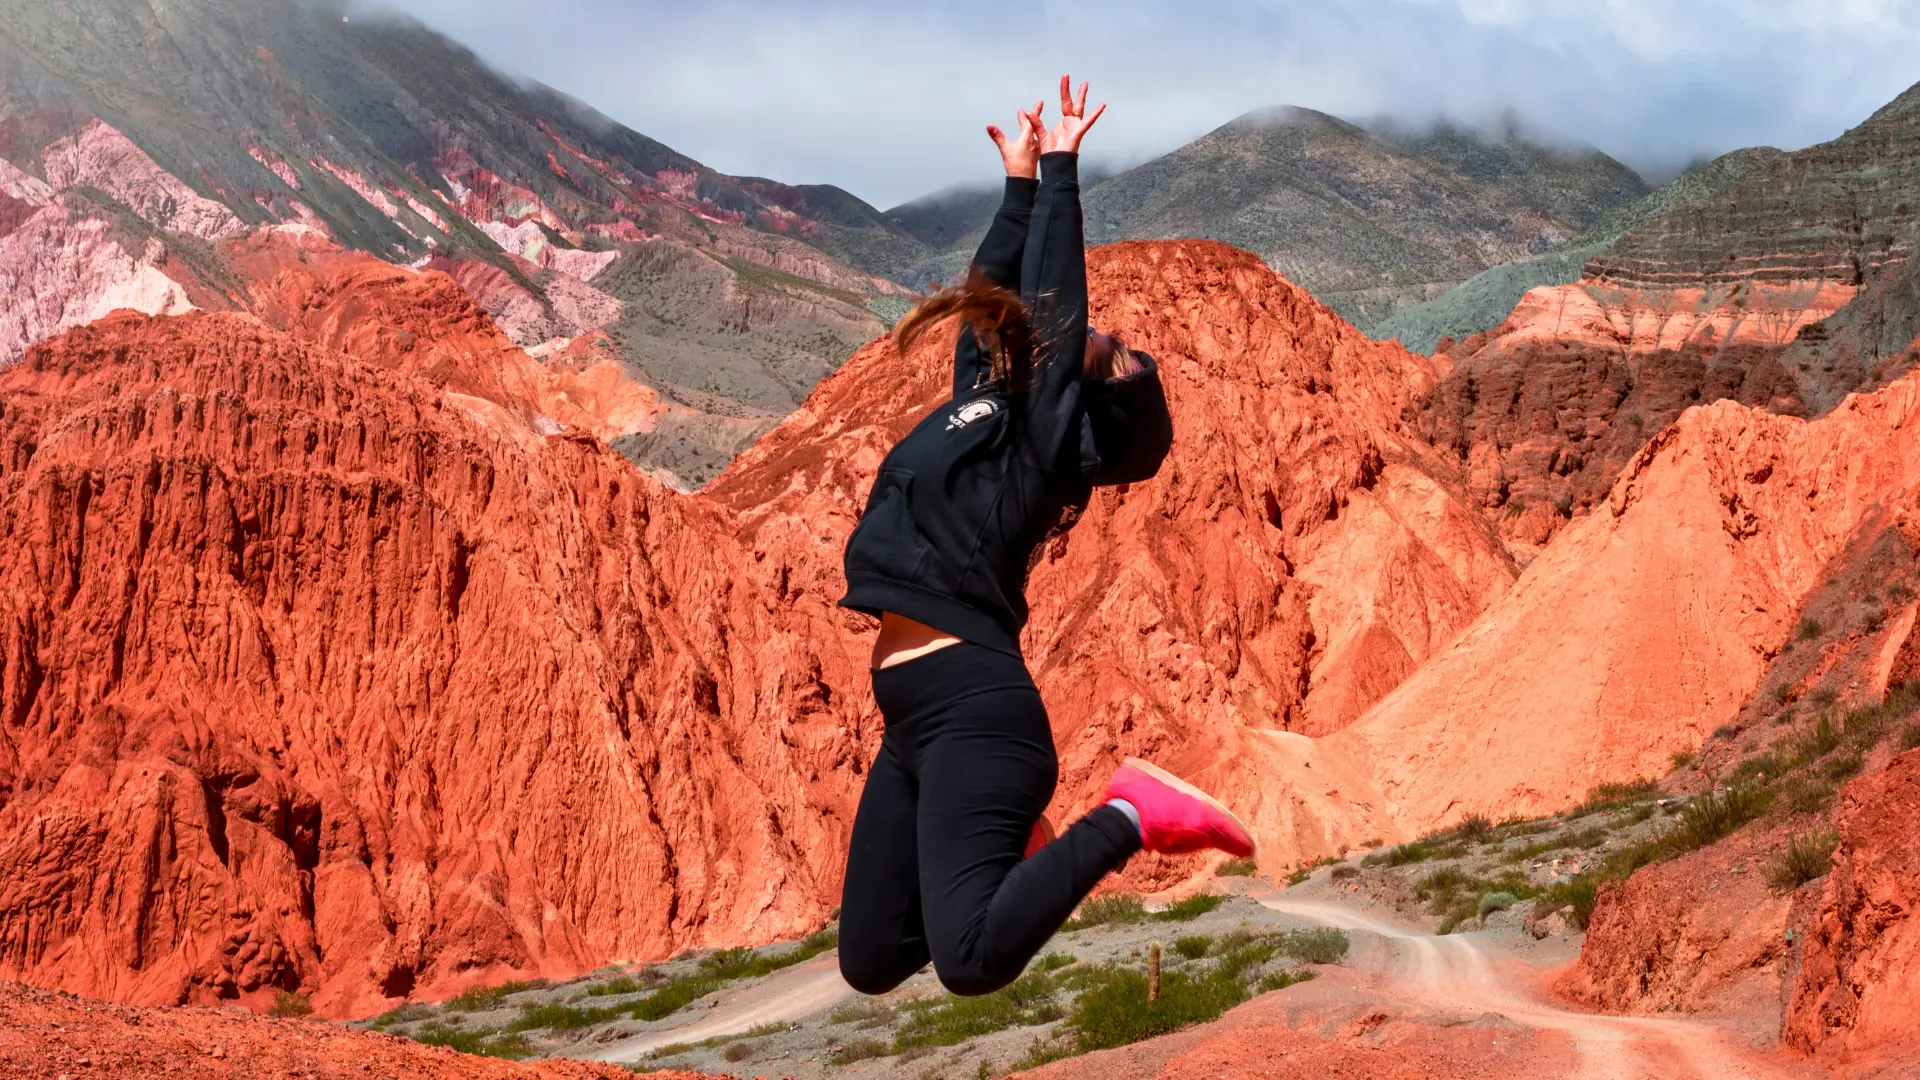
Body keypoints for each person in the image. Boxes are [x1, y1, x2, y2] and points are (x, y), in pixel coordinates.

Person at [835, 76, 1256, 999]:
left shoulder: (1042, 447)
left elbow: (1057, 306)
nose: (1083, 337)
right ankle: (1018, 855)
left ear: (1085, 398)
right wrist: (1018, 184)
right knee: (871, 959)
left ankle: (1130, 816)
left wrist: (1063, 169)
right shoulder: (987, 407)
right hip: (912, 718)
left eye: (1094, 351)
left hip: (975, 708)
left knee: (971, 961)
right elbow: (992, 303)